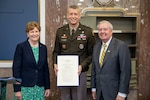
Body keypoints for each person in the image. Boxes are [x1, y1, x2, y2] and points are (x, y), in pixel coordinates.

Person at [53, 5, 96, 100]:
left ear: (80, 15)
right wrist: (55, 63)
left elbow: (92, 54)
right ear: (67, 15)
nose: (73, 16)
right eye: (71, 14)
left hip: (80, 72)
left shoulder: (87, 31)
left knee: (79, 97)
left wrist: (82, 66)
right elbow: (56, 51)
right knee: (65, 97)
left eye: (75, 14)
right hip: (64, 73)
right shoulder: (60, 31)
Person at [91, 20, 131, 100]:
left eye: (105, 29)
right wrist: (93, 88)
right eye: (100, 29)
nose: (102, 32)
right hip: (99, 93)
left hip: (115, 93)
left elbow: (125, 72)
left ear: (111, 31)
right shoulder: (96, 47)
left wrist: (122, 93)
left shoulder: (121, 46)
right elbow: (94, 70)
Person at [12, 21, 50, 100]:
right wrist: (17, 89)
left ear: (39, 33)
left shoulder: (43, 48)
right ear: (27, 33)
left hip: (39, 88)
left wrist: (47, 87)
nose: (34, 34)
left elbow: (45, 69)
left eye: (36, 31)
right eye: (32, 32)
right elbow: (16, 69)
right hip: (25, 88)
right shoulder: (21, 47)